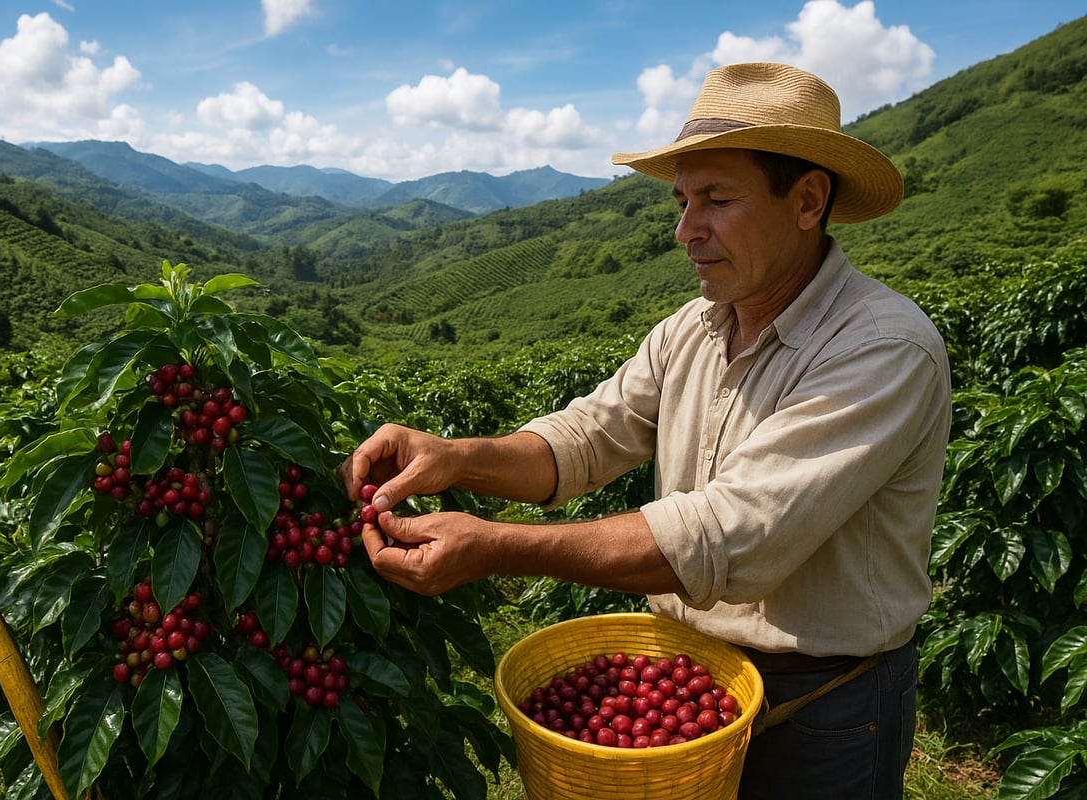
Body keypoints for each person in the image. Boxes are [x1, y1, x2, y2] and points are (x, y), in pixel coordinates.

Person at [340, 62, 951, 799]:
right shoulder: (690, 329)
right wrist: (456, 457)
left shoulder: (881, 348)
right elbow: (584, 441)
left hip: (824, 708)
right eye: (684, 200)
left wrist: (496, 546)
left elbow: (732, 535)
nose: (685, 230)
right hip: (692, 676)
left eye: (717, 200)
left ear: (808, 201)